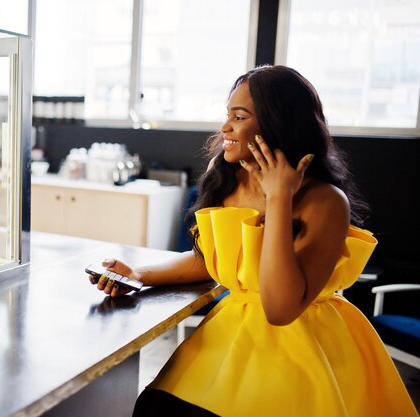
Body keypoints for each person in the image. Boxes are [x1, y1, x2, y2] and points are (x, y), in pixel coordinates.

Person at [89, 65, 418, 417]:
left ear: (277, 124)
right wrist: (138, 274)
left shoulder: (326, 201)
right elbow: (211, 260)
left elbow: (280, 309)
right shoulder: (225, 175)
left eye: (239, 116)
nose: (225, 127)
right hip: (231, 335)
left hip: (301, 347)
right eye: (227, 114)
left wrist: (279, 199)